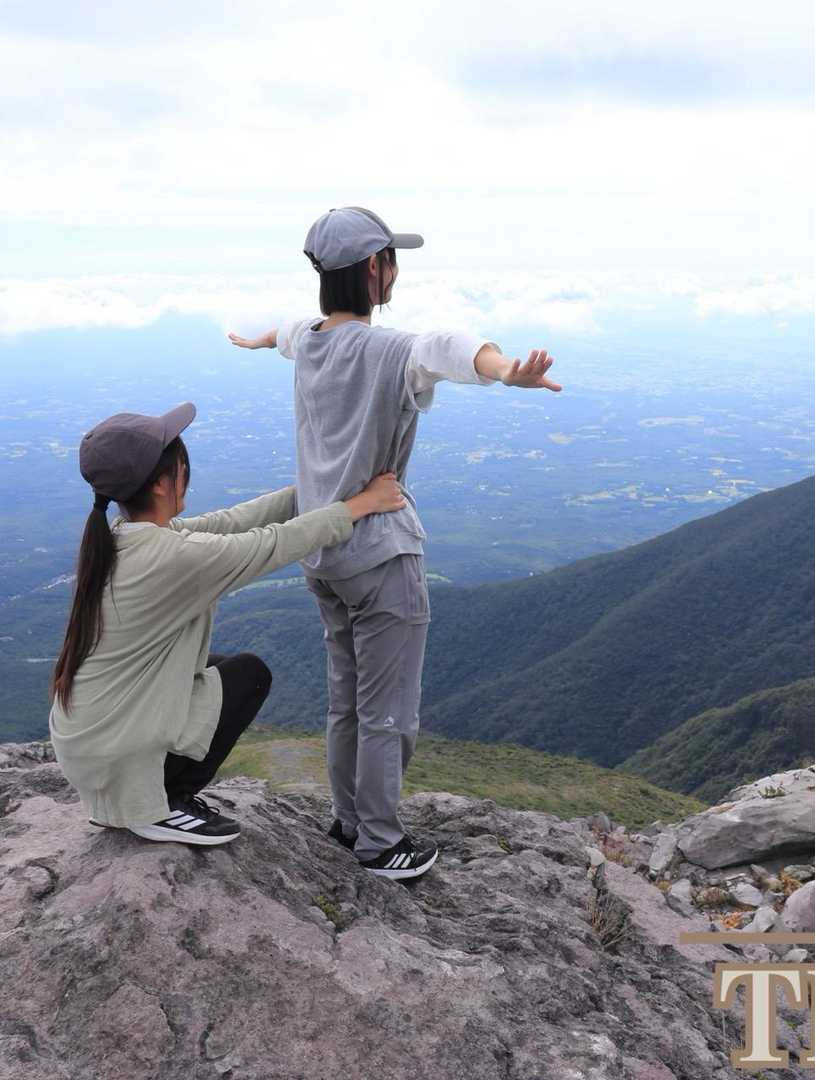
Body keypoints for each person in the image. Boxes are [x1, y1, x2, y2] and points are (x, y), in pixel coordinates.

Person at [227, 206, 562, 880]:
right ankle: (380, 842)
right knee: (389, 711)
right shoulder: (387, 352)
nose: (396, 273)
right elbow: (446, 347)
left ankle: (348, 822)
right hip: (380, 555)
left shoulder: (311, 342)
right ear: (375, 268)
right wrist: (505, 370)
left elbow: (289, 332)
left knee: (345, 700)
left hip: (322, 555)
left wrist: (259, 340)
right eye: (392, 261)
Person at [47, 401, 406, 847]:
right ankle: (161, 802)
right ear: (162, 483)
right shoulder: (173, 556)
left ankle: (141, 791)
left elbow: (230, 522)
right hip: (117, 753)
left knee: (213, 666)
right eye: (181, 466)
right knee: (248, 675)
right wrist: (362, 504)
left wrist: (311, 490)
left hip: (93, 743)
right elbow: (273, 543)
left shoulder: (124, 536)